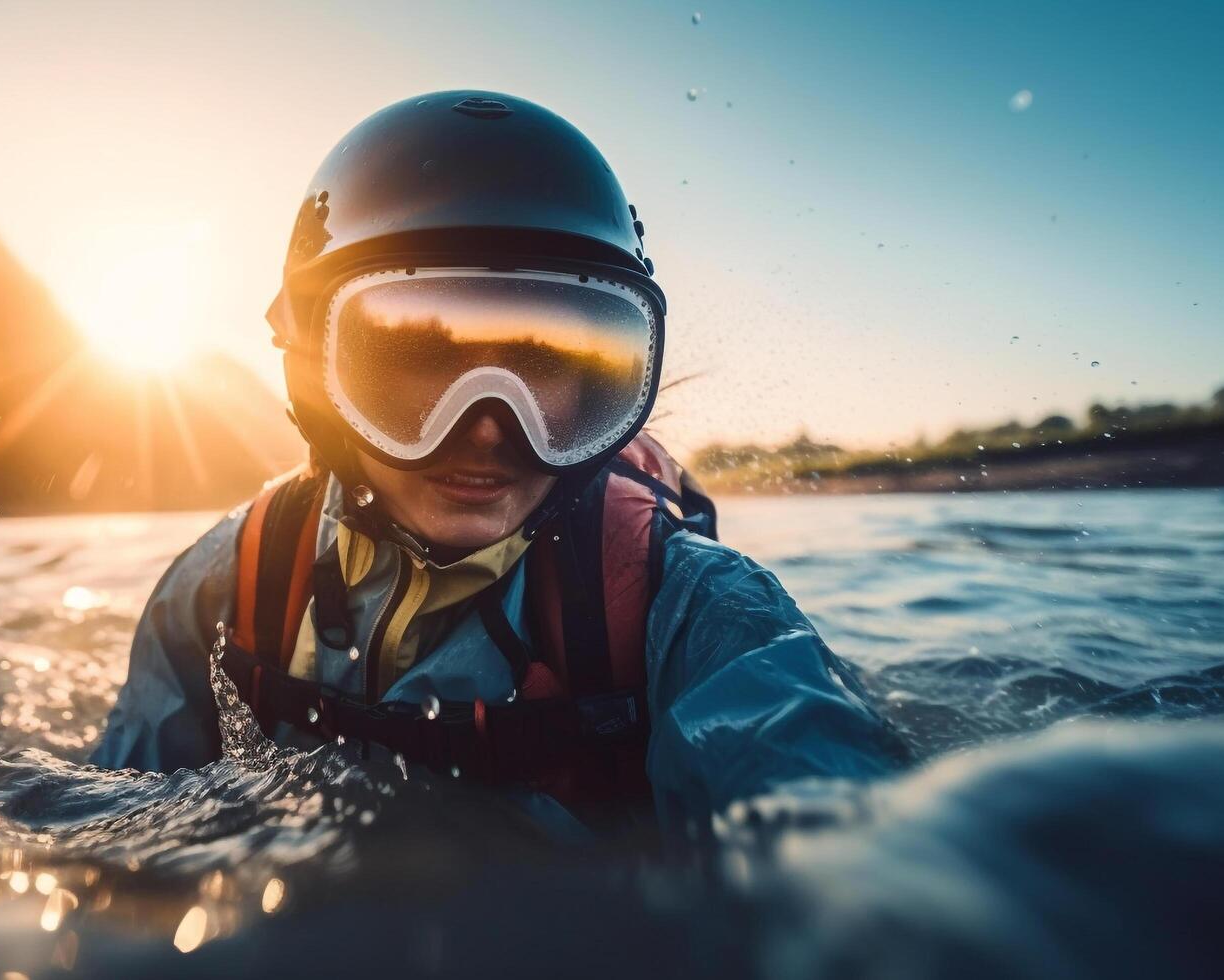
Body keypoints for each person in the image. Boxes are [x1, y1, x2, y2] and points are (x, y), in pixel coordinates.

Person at [91, 91, 906, 839]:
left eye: (541, 374)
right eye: (412, 365)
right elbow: (120, 826)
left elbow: (848, 850)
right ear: (314, 366)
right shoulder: (226, 584)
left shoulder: (692, 610)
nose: (487, 433)